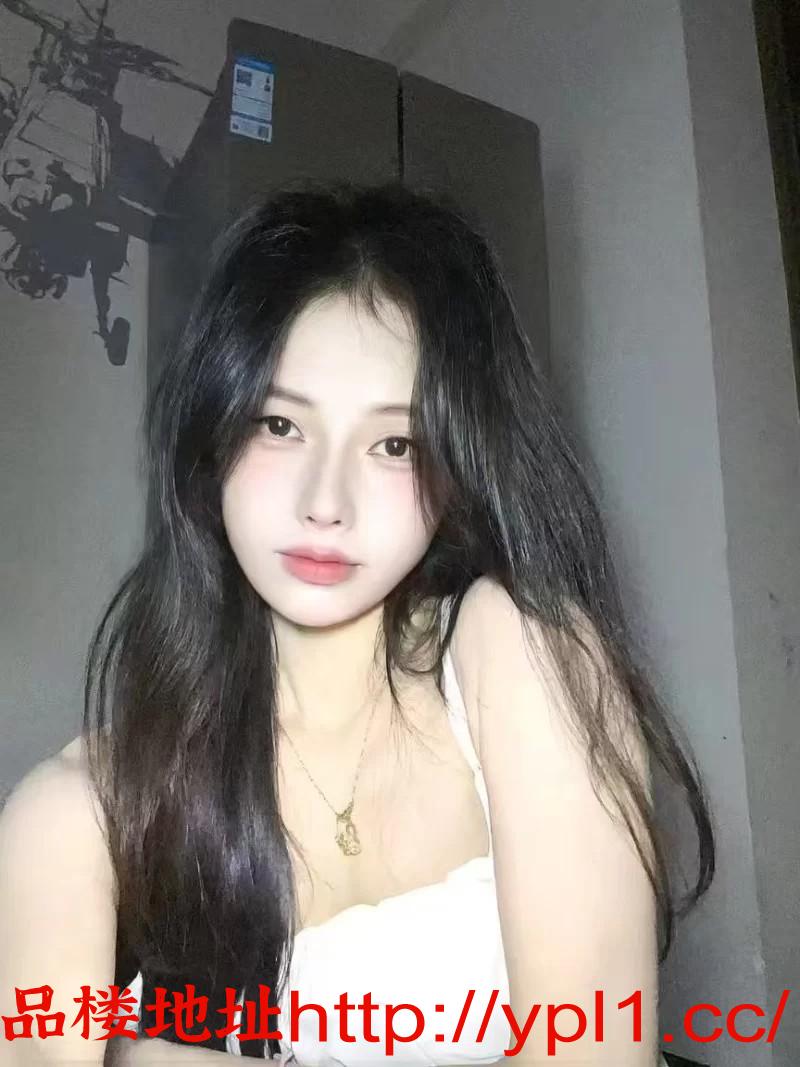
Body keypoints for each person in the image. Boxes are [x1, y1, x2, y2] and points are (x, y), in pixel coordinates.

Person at [0, 179, 714, 1066]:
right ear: (212, 436)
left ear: (457, 463)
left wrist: (145, 1056)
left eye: (394, 444)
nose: (326, 502)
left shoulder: (519, 654)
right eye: (279, 423)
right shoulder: (83, 809)